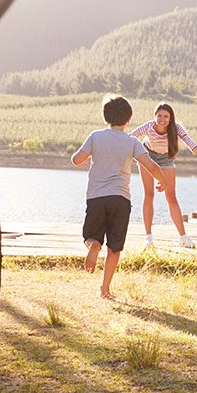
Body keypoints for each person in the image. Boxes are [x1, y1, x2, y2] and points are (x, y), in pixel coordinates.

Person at [71, 94, 165, 299]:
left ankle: (93, 245)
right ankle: (105, 289)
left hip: (97, 197)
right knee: (115, 247)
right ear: (128, 119)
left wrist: (83, 160)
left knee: (90, 235)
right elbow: (151, 166)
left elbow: (76, 159)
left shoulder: (95, 136)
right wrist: (162, 181)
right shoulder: (132, 142)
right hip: (121, 198)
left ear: (106, 117)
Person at [129, 103, 197, 249]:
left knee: (171, 196)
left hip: (167, 158)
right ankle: (148, 238)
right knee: (149, 194)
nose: (162, 119)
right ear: (154, 116)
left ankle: (183, 237)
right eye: (159, 116)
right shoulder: (148, 126)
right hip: (148, 156)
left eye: (166, 116)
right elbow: (128, 138)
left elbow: (193, 146)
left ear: (171, 118)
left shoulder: (176, 128)